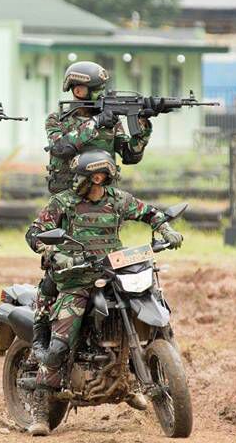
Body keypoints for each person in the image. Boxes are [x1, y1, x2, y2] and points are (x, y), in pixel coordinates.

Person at [25, 149, 182, 436]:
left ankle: (129, 379)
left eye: (104, 176)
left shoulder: (118, 199)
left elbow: (149, 213)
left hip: (114, 274)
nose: (99, 182)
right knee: (59, 343)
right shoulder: (63, 202)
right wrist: (54, 254)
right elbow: (34, 233)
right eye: (95, 177)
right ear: (83, 179)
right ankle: (39, 405)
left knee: (149, 308)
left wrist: (166, 229)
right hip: (75, 280)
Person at [33, 61, 154, 371]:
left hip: (104, 202)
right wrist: (99, 121)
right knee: (61, 267)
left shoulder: (110, 121)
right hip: (69, 201)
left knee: (107, 263)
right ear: (77, 89)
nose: (92, 94)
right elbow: (61, 148)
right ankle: (43, 330)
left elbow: (130, 155)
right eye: (89, 89)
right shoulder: (58, 118)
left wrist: (142, 124)